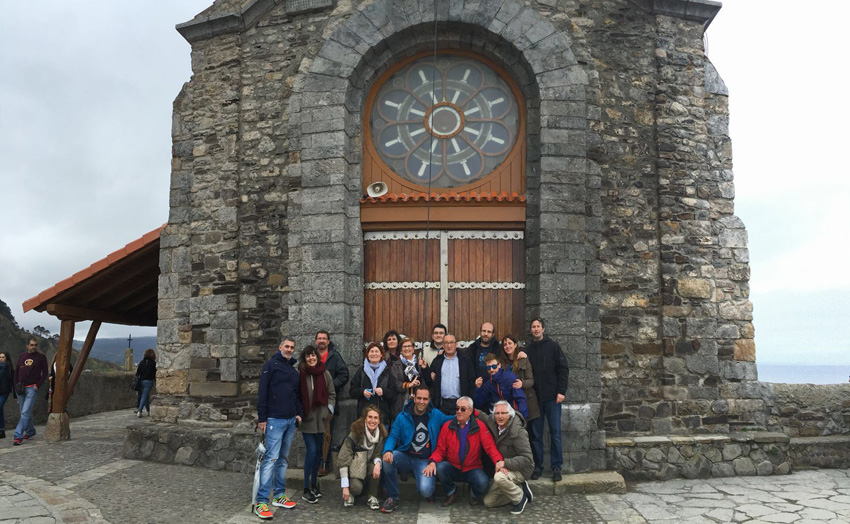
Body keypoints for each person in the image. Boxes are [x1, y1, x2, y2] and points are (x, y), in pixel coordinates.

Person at [379, 385, 453, 513]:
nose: (421, 402)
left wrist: (469, 413)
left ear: (429, 400)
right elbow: (393, 436)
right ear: (414, 398)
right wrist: (388, 450)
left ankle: (427, 488)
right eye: (419, 398)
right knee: (387, 460)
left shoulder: (435, 414)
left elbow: (449, 420)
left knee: (425, 490)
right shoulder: (403, 416)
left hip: (425, 460)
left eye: (425, 399)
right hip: (406, 457)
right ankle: (393, 497)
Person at [254, 338, 303, 519]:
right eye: (286, 347)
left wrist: (299, 413)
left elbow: (296, 394)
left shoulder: (293, 370)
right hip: (274, 419)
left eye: (292, 348)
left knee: (283, 459)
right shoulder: (270, 366)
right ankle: (261, 502)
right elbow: (262, 392)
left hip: (290, 420)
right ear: (280, 348)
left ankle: (279, 495)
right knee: (271, 459)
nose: (289, 350)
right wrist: (262, 418)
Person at [423, 396, 503, 507]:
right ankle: (451, 492)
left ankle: (473, 494)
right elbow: (440, 449)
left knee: (483, 483)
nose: (459, 411)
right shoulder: (447, 426)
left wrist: (498, 461)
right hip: (453, 466)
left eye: (463, 409)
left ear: (470, 411)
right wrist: (432, 461)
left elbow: (490, 447)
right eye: (457, 408)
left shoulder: (479, 426)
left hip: (472, 468)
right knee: (440, 468)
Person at [526, 318, 569, 482]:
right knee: (536, 435)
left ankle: (556, 467)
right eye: (533, 327)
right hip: (535, 399)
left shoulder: (553, 346)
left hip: (552, 398)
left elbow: (563, 369)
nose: (536, 329)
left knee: (555, 433)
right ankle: (538, 466)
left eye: (538, 326)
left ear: (543, 329)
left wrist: (561, 391)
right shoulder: (528, 350)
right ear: (531, 330)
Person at [479, 401, 534, 514]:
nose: (500, 416)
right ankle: (521, 489)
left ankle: (519, 498)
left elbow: (527, 459)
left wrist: (505, 463)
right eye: (497, 413)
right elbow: (483, 416)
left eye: (503, 413)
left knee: (499, 477)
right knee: (488, 502)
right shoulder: (495, 423)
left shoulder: (518, 432)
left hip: (521, 469)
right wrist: (470, 410)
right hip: (506, 468)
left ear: (510, 414)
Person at [297, 345, 336, 504]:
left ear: (317, 357)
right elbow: (297, 395)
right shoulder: (301, 374)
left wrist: (329, 411)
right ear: (304, 358)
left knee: (319, 453)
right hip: (307, 420)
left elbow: (332, 394)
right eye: (308, 356)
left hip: (321, 420)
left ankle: (314, 485)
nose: (311, 358)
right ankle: (306, 488)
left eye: (313, 355)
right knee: (311, 452)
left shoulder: (325, 374)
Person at [337, 405, 387, 510]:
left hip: (368, 465)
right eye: (370, 417)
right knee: (357, 488)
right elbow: (343, 458)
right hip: (354, 467)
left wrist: (378, 463)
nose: (372, 420)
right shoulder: (356, 432)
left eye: (375, 418)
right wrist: (345, 486)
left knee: (376, 469)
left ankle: (372, 496)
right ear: (365, 418)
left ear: (379, 421)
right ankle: (351, 493)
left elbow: (378, 454)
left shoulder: (381, 435)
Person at [315, 330, 349, 477]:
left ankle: (324, 464)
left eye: (324, 338)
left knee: (326, 434)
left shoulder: (335, 356)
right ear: (316, 341)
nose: (321, 341)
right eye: (319, 338)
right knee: (313, 433)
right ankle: (313, 463)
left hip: (329, 401)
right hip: (312, 403)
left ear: (328, 342)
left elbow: (344, 375)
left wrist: (329, 385)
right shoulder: (311, 355)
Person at [427, 334, 475, 415]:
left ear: (456, 344)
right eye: (446, 343)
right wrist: (425, 369)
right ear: (443, 345)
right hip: (442, 404)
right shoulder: (438, 360)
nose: (449, 346)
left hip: (460, 404)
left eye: (451, 342)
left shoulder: (464, 360)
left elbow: (471, 380)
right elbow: (429, 381)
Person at [499, 334, 540, 430]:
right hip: (509, 402)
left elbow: (531, 380)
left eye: (510, 343)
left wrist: (522, 383)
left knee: (529, 433)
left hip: (526, 400)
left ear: (515, 345)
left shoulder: (523, 359)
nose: (507, 346)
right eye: (505, 344)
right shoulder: (501, 362)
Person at [350, 342, 396, 425]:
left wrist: (384, 392)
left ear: (381, 355)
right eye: (371, 351)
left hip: (383, 416)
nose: (374, 354)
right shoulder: (361, 371)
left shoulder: (388, 371)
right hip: (364, 417)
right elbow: (352, 391)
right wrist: (362, 392)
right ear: (367, 354)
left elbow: (394, 393)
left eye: (376, 351)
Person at [13, 338, 48, 446]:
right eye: (31, 345)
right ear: (27, 346)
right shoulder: (22, 356)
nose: (33, 347)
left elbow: (45, 372)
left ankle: (17, 436)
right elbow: (16, 372)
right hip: (20, 388)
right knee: (24, 412)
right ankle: (30, 431)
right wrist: (15, 388)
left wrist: (38, 385)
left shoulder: (41, 357)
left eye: (35, 345)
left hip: (32, 388)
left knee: (25, 412)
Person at [473, 353, 528, 418]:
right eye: (488, 367)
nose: (491, 369)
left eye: (494, 366)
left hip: (512, 415)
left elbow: (521, 399)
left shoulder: (510, 378)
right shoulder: (488, 383)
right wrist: (478, 388)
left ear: (499, 365)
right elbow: (479, 403)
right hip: (496, 417)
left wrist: (520, 417)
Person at [388, 337, 426, 421]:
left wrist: (424, 369)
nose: (407, 349)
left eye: (409, 346)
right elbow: (394, 383)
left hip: (418, 400)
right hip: (401, 401)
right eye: (404, 346)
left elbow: (426, 382)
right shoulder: (396, 365)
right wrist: (409, 385)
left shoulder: (420, 364)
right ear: (401, 350)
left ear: (413, 349)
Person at [135, 349, 157, 418]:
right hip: (149, 381)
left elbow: (137, 373)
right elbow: (154, 373)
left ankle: (148, 411)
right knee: (144, 395)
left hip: (141, 381)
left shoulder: (142, 362)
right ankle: (140, 411)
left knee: (145, 396)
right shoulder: (153, 363)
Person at [0, 352, 16, 439]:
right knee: (0, 410)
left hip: (4, 392)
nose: (1, 359)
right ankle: (1, 431)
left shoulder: (9, 369)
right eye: (0, 357)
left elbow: (13, 383)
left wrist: (15, 396)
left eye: (3, 357)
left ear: (7, 358)